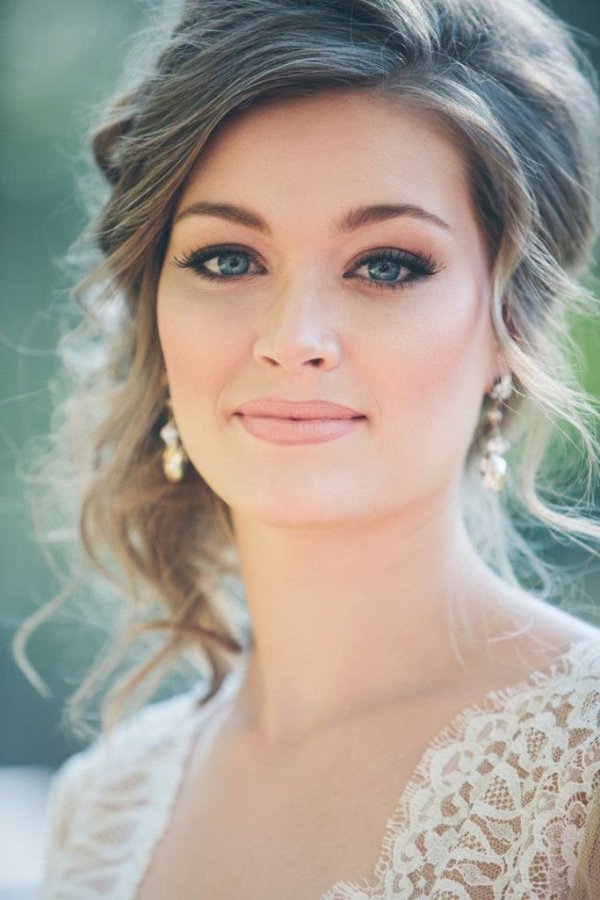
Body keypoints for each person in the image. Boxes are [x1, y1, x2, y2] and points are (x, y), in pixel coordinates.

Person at [22, 0, 600, 896]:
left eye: (386, 264)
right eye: (227, 260)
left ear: (509, 323)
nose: (294, 339)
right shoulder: (99, 809)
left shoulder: (584, 773)